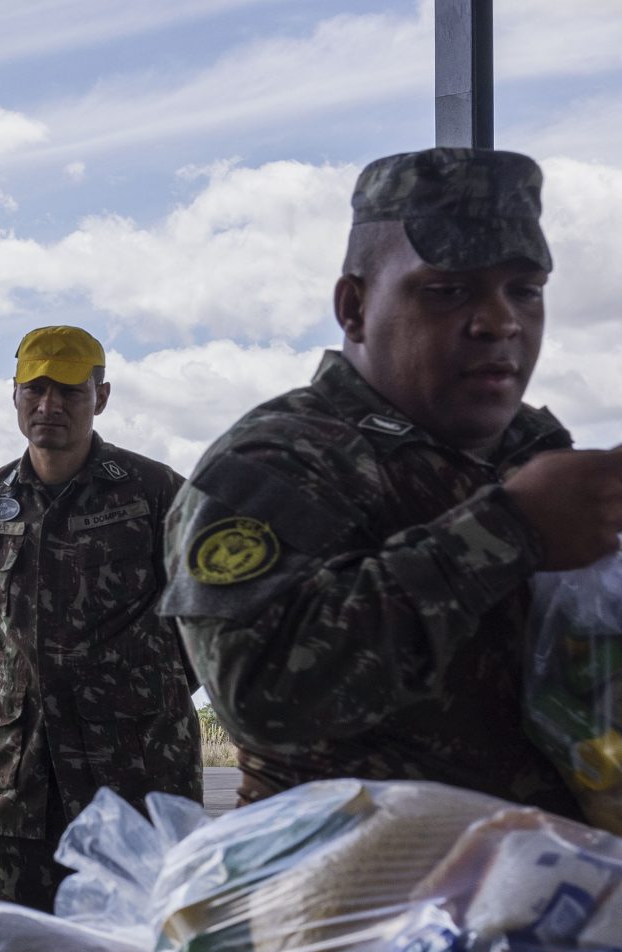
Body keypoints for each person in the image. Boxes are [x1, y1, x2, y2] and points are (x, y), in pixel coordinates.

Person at [166, 147, 622, 809]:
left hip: (545, 883)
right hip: (354, 890)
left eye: (524, 290)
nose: (500, 321)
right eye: (446, 291)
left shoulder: (536, 452)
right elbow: (260, 695)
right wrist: (508, 529)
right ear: (354, 307)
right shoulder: (282, 461)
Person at [0, 326, 202, 909]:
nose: (49, 404)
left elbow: (207, 616)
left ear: (101, 397)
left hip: (137, 773)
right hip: (20, 781)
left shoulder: (154, 492)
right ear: (14, 396)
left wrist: (147, 692)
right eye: (34, 389)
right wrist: (21, 701)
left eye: (69, 390)